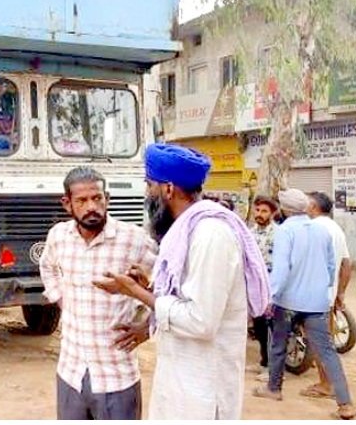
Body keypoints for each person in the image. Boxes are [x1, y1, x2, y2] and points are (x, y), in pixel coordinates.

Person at [93, 143, 270, 420]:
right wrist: (150, 287)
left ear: (168, 189)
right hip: (183, 384)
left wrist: (136, 291)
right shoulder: (188, 229)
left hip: (204, 394)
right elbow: (188, 295)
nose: (147, 194)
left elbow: (201, 320)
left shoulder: (211, 235)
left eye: (149, 185)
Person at [39, 166, 158, 420]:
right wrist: (61, 299)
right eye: (82, 200)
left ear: (107, 199)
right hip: (70, 372)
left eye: (97, 198)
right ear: (67, 204)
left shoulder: (133, 239)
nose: (91, 206)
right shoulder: (58, 236)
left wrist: (148, 327)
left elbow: (167, 283)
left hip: (116, 375)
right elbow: (47, 267)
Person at [252, 188, 356, 420]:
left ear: (284, 209)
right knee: (327, 352)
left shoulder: (285, 231)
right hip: (317, 302)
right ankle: (346, 404)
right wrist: (323, 289)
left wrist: (270, 297)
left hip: (288, 302)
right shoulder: (322, 231)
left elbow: (281, 269)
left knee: (278, 345)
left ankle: (274, 388)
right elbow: (331, 266)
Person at [299, 191, 352, 400]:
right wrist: (340, 293)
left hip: (313, 296)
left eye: (306, 204)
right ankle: (328, 382)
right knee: (324, 341)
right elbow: (347, 263)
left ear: (313, 207)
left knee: (319, 342)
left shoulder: (313, 228)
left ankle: (326, 385)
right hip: (327, 295)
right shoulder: (335, 228)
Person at [248, 195, 279, 378]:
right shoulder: (250, 233)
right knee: (259, 326)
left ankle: (272, 369)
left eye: (264, 211)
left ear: (272, 214)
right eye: (258, 210)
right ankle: (263, 361)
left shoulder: (278, 234)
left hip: (272, 287)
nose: (259, 214)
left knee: (270, 328)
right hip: (256, 287)